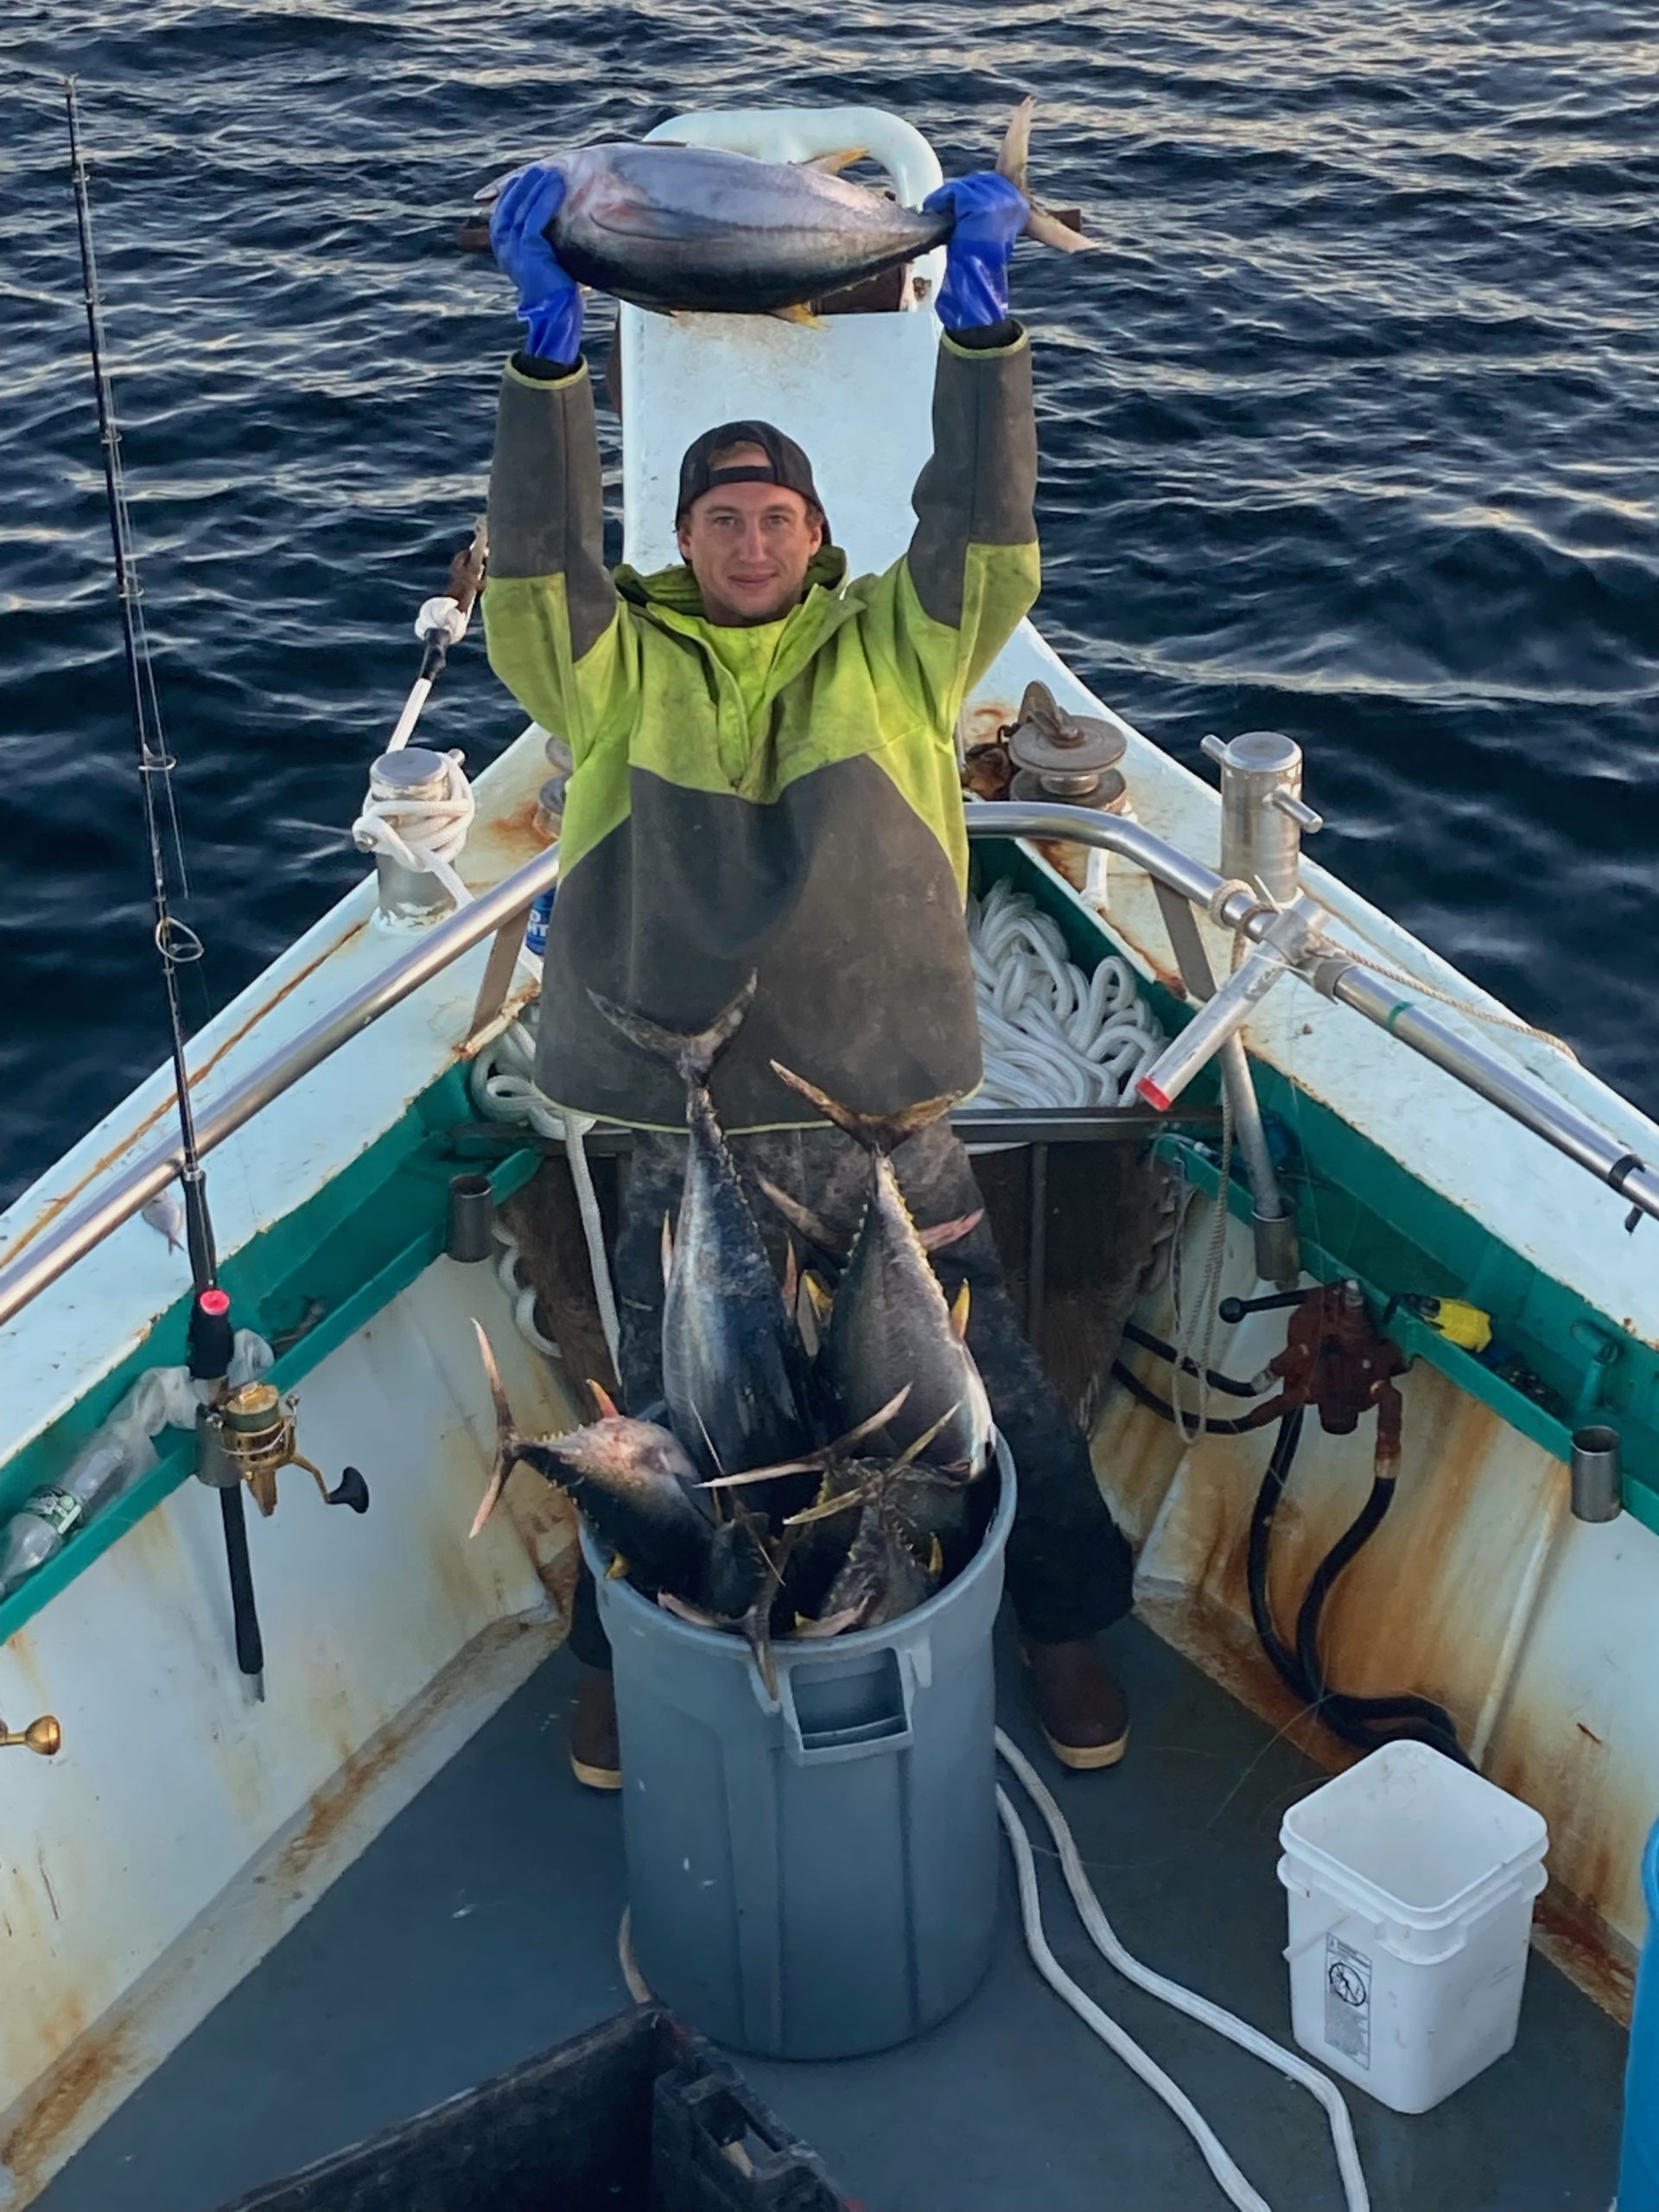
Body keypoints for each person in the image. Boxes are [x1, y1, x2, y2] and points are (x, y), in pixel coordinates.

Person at [481, 150, 1135, 1789]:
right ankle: (627, 1648)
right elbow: (538, 568)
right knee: (660, 1417)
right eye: (721, 517)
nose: (752, 542)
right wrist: (549, 362)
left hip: (876, 1110)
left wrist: (984, 339)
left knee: (985, 1390)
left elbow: (983, 534)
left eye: (778, 518)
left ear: (818, 534)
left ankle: (1058, 1622)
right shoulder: (611, 669)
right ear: (683, 533)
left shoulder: (902, 648)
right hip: (665, 1114)